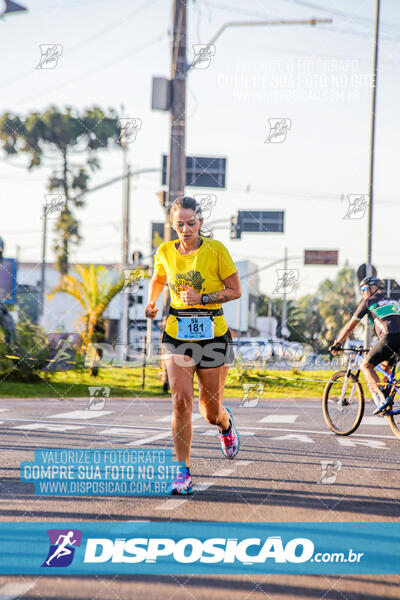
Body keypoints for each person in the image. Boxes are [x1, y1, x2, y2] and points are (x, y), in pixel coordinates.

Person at [144, 196, 241, 495]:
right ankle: (181, 471)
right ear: (172, 225)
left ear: (201, 223)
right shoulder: (164, 251)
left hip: (213, 335)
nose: (185, 230)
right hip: (177, 335)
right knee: (181, 400)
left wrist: (203, 299)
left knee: (209, 412)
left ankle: (225, 425)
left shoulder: (215, 251)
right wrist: (152, 302)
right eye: (179, 224)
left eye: (191, 223)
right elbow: (159, 279)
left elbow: (235, 290)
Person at [330, 276, 400, 415]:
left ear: (372, 288)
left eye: (363, 289)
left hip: (390, 337)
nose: (362, 293)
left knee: (366, 366)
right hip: (395, 340)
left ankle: (382, 400)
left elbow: (350, 326)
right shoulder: (394, 300)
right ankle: (387, 397)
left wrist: (337, 343)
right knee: (386, 366)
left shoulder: (368, 301)